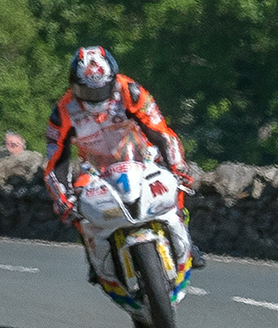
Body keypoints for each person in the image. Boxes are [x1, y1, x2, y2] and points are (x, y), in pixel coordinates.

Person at [43, 45, 206, 278]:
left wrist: (177, 165)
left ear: (112, 80)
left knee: (173, 184)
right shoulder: (62, 112)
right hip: (95, 167)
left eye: (102, 90)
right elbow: (56, 158)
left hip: (140, 154)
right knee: (78, 206)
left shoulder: (131, 91)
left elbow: (160, 131)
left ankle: (187, 242)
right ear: (74, 86)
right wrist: (62, 197)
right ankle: (95, 258)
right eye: (88, 92)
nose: (96, 98)